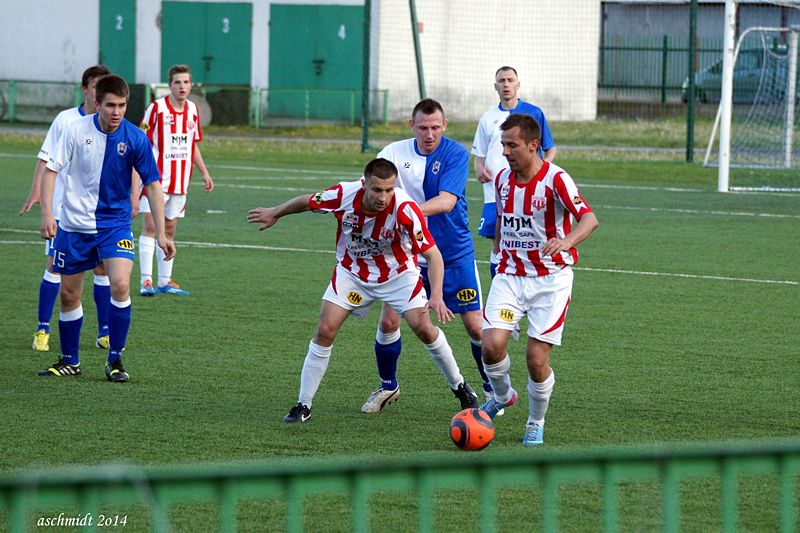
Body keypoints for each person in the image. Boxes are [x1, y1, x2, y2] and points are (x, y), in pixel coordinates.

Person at [247, 158, 479, 423]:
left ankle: (460, 386)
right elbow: (307, 201)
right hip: (353, 273)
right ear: (364, 184)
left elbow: (433, 255)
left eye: (389, 190)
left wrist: (436, 295)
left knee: (424, 328)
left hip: (398, 274)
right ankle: (303, 404)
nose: (383, 197)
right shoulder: (344, 195)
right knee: (325, 330)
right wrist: (276, 212)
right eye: (377, 190)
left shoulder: (405, 209)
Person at [37, 75, 175, 381]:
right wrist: (48, 213)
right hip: (73, 227)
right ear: (96, 103)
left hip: (114, 225)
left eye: (122, 105)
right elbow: (51, 171)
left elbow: (152, 185)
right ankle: (70, 360)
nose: (116, 112)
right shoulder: (74, 130)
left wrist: (163, 233)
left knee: (121, 285)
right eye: (110, 105)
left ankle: (115, 360)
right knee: (70, 295)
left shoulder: (136, 138)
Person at [360, 98, 487, 414]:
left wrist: (402, 211)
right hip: (404, 254)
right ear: (411, 126)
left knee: (474, 326)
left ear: (444, 126)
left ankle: (492, 390)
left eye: (435, 127)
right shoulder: (391, 154)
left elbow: (444, 202)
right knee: (389, 320)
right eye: (423, 127)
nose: (430, 134)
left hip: (452, 251)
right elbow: (372, 191)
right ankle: (388, 387)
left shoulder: (455, 153)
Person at [479, 114, 598, 446]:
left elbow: (589, 218)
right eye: (503, 144)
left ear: (533, 146)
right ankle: (503, 396)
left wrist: (567, 241)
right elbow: (503, 223)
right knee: (491, 346)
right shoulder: (502, 180)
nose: (505, 151)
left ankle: (536, 420)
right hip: (510, 277)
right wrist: (497, 259)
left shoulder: (556, 179)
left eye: (511, 145)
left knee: (535, 358)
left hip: (550, 281)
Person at [20, 65, 115, 352]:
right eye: (95, 86)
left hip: (98, 214)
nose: (99, 93)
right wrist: (38, 195)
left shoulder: (111, 124)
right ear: (86, 89)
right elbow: (46, 160)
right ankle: (42, 330)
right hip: (64, 213)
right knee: (55, 268)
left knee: (102, 269)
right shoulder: (66, 120)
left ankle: (105, 332)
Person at [472, 66, 557, 278]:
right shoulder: (487, 118)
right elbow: (479, 155)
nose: (506, 84)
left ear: (518, 84)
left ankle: (536, 277)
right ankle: (499, 283)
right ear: (495, 86)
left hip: (529, 190)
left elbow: (550, 148)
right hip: (495, 191)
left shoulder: (534, 113)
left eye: (510, 80)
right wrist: (480, 169)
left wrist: (543, 171)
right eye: (502, 81)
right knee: (497, 240)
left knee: (531, 235)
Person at [137, 64, 213, 296]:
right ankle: (146, 281)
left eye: (186, 82)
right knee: (151, 227)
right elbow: (141, 141)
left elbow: (193, 144)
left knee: (169, 230)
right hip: (156, 180)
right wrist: (134, 183)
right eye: (177, 82)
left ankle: (164, 281)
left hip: (181, 182)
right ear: (169, 85)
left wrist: (205, 172)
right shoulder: (156, 109)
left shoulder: (192, 109)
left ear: (191, 85)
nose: (182, 86)